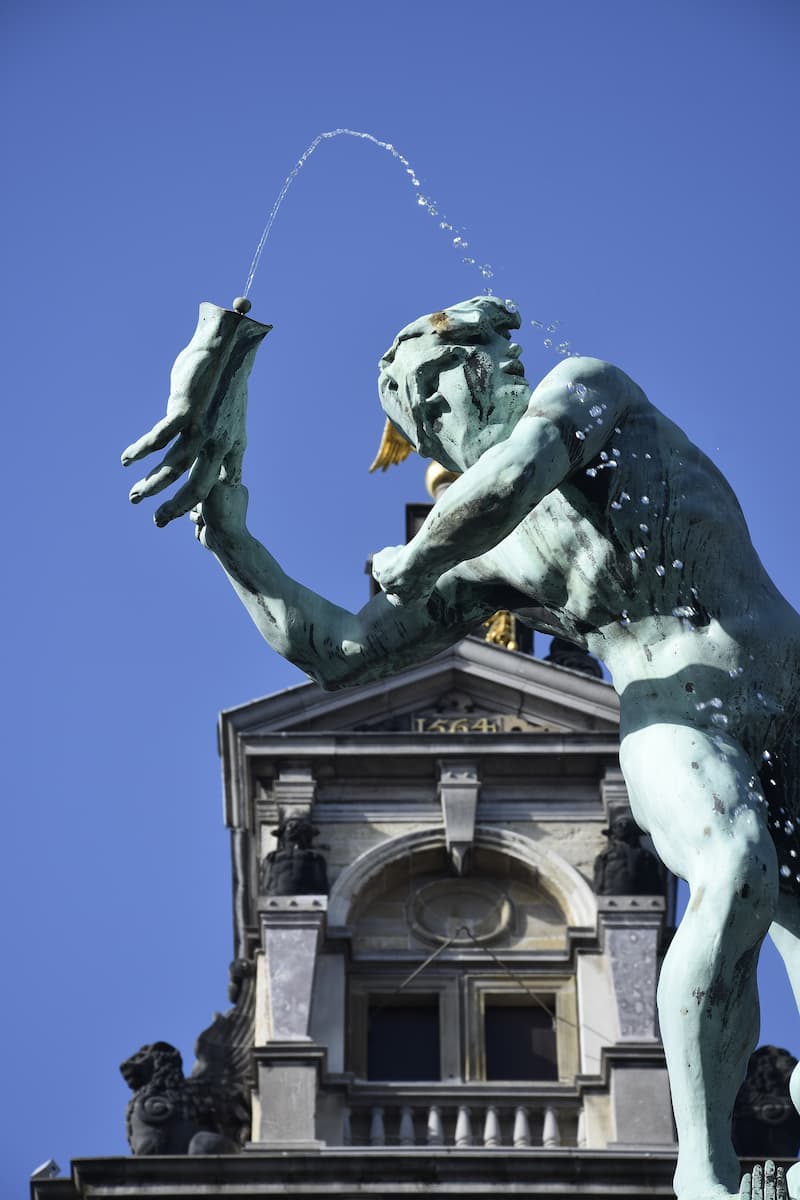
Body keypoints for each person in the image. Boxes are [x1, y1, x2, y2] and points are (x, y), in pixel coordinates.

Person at [123, 295, 800, 1200]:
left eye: (434, 400)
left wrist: (418, 554)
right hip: (675, 715)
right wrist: (234, 539)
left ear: (490, 364)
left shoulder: (587, 389)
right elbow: (339, 651)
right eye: (418, 420)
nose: (438, 434)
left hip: (786, 690)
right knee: (735, 868)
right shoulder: (493, 568)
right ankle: (706, 1173)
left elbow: (516, 475)